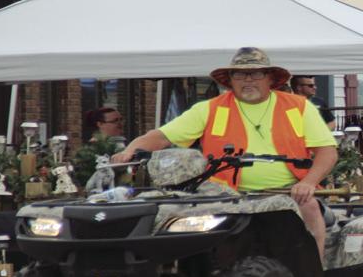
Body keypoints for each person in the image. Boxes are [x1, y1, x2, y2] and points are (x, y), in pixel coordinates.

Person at [113, 48, 338, 260]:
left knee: (308, 207)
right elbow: (161, 137)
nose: (248, 80)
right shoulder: (209, 108)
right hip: (223, 194)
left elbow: (327, 151)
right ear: (230, 80)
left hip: (288, 190)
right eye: (240, 75)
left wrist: (308, 183)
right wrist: (131, 150)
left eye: (255, 74)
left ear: (270, 78)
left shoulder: (298, 106)